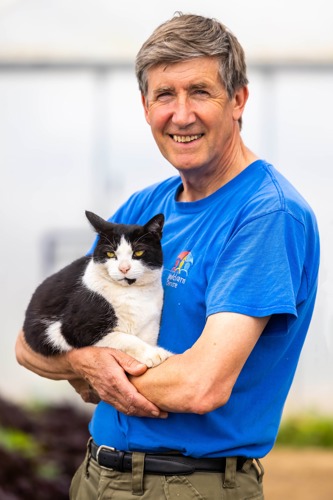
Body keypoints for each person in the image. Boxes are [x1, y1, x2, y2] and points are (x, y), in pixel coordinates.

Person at [16, 13, 320, 500]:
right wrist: (91, 360)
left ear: (238, 100)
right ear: (145, 107)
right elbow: (27, 345)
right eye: (164, 95)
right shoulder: (141, 211)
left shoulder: (266, 214)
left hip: (187, 484)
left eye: (200, 91)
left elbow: (200, 386)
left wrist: (86, 366)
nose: (181, 115)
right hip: (96, 474)